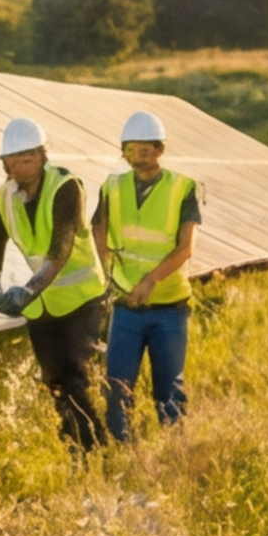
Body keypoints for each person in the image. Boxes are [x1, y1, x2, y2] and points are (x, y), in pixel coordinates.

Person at [0, 114, 109, 450]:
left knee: (77, 379)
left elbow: (59, 250)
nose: (19, 167)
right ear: (4, 163)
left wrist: (26, 291)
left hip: (81, 299)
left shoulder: (66, 187)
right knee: (53, 382)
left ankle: (98, 450)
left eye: (27, 159)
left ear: (42, 158)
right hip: (41, 307)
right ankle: (75, 448)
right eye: (12, 161)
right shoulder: (3, 199)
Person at [96, 109, 203, 439]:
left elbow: (185, 248)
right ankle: (121, 453)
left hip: (169, 307)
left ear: (159, 150)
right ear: (124, 151)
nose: (139, 156)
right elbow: (97, 228)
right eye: (132, 149)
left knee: (169, 391)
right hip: (127, 307)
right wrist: (109, 272)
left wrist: (151, 279)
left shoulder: (182, 188)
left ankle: (172, 454)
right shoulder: (112, 187)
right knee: (117, 387)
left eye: (146, 149)